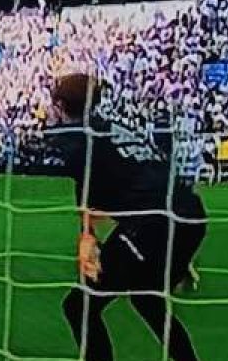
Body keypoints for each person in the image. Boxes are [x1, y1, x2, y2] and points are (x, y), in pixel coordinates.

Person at [47, 73, 206, 361]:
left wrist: (89, 240)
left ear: (59, 105)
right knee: (147, 297)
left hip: (155, 224)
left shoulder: (75, 140)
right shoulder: (116, 128)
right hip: (189, 214)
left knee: (79, 306)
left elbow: (91, 197)